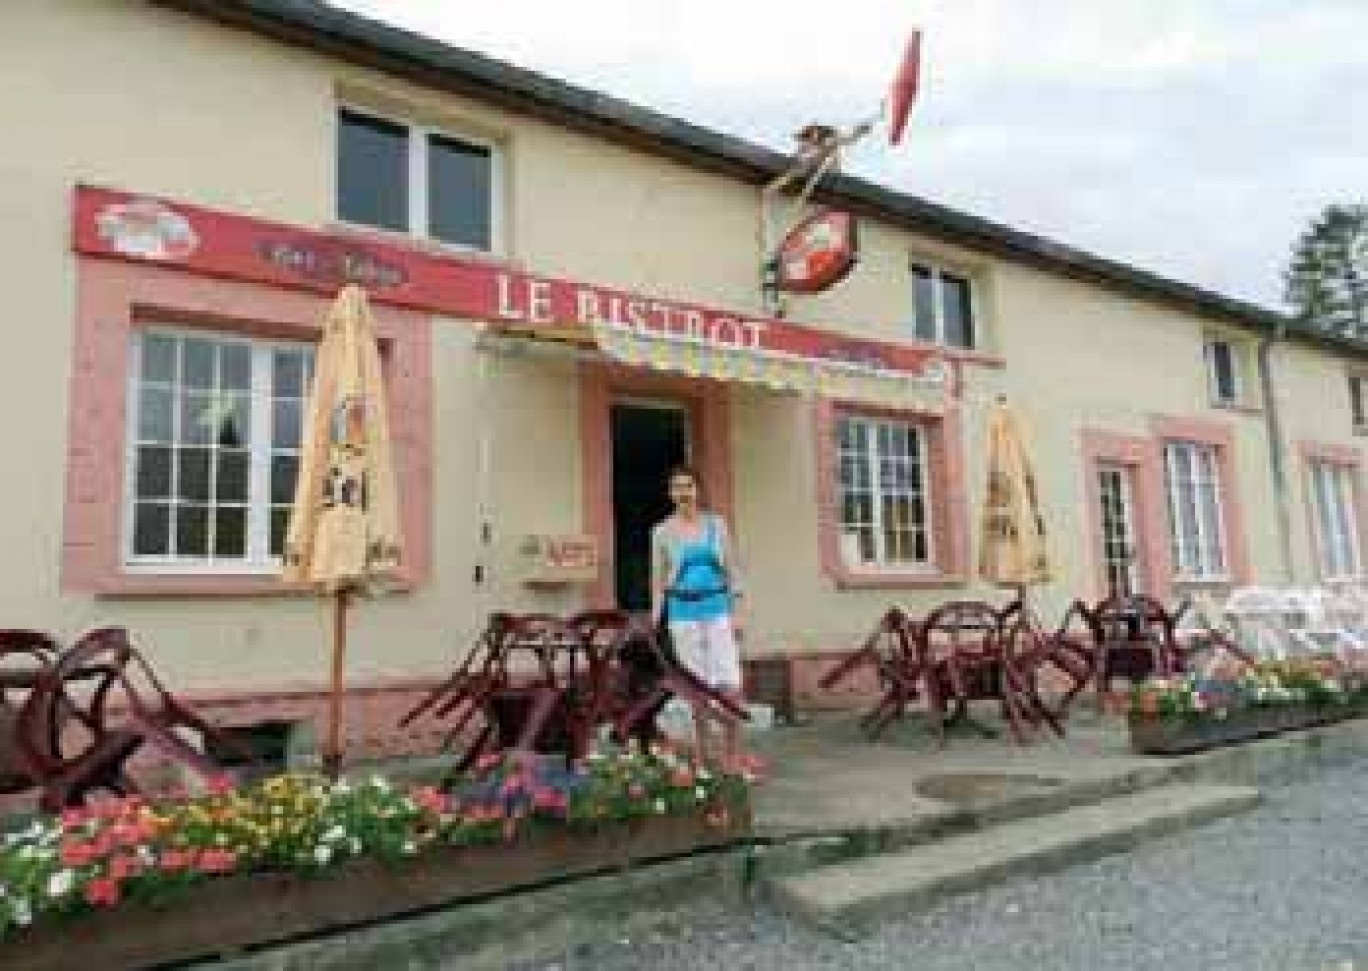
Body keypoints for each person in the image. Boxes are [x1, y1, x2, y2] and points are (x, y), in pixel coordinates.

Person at [650, 465, 747, 770]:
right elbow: (657, 579)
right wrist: (657, 618)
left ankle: (732, 754)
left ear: (697, 490)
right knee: (696, 684)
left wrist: (738, 612)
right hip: (681, 612)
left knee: (728, 680)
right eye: (677, 488)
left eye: (688, 486)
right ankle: (703, 756)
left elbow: (732, 571)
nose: (683, 493)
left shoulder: (717, 526)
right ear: (670, 494)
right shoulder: (662, 532)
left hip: (716, 608)